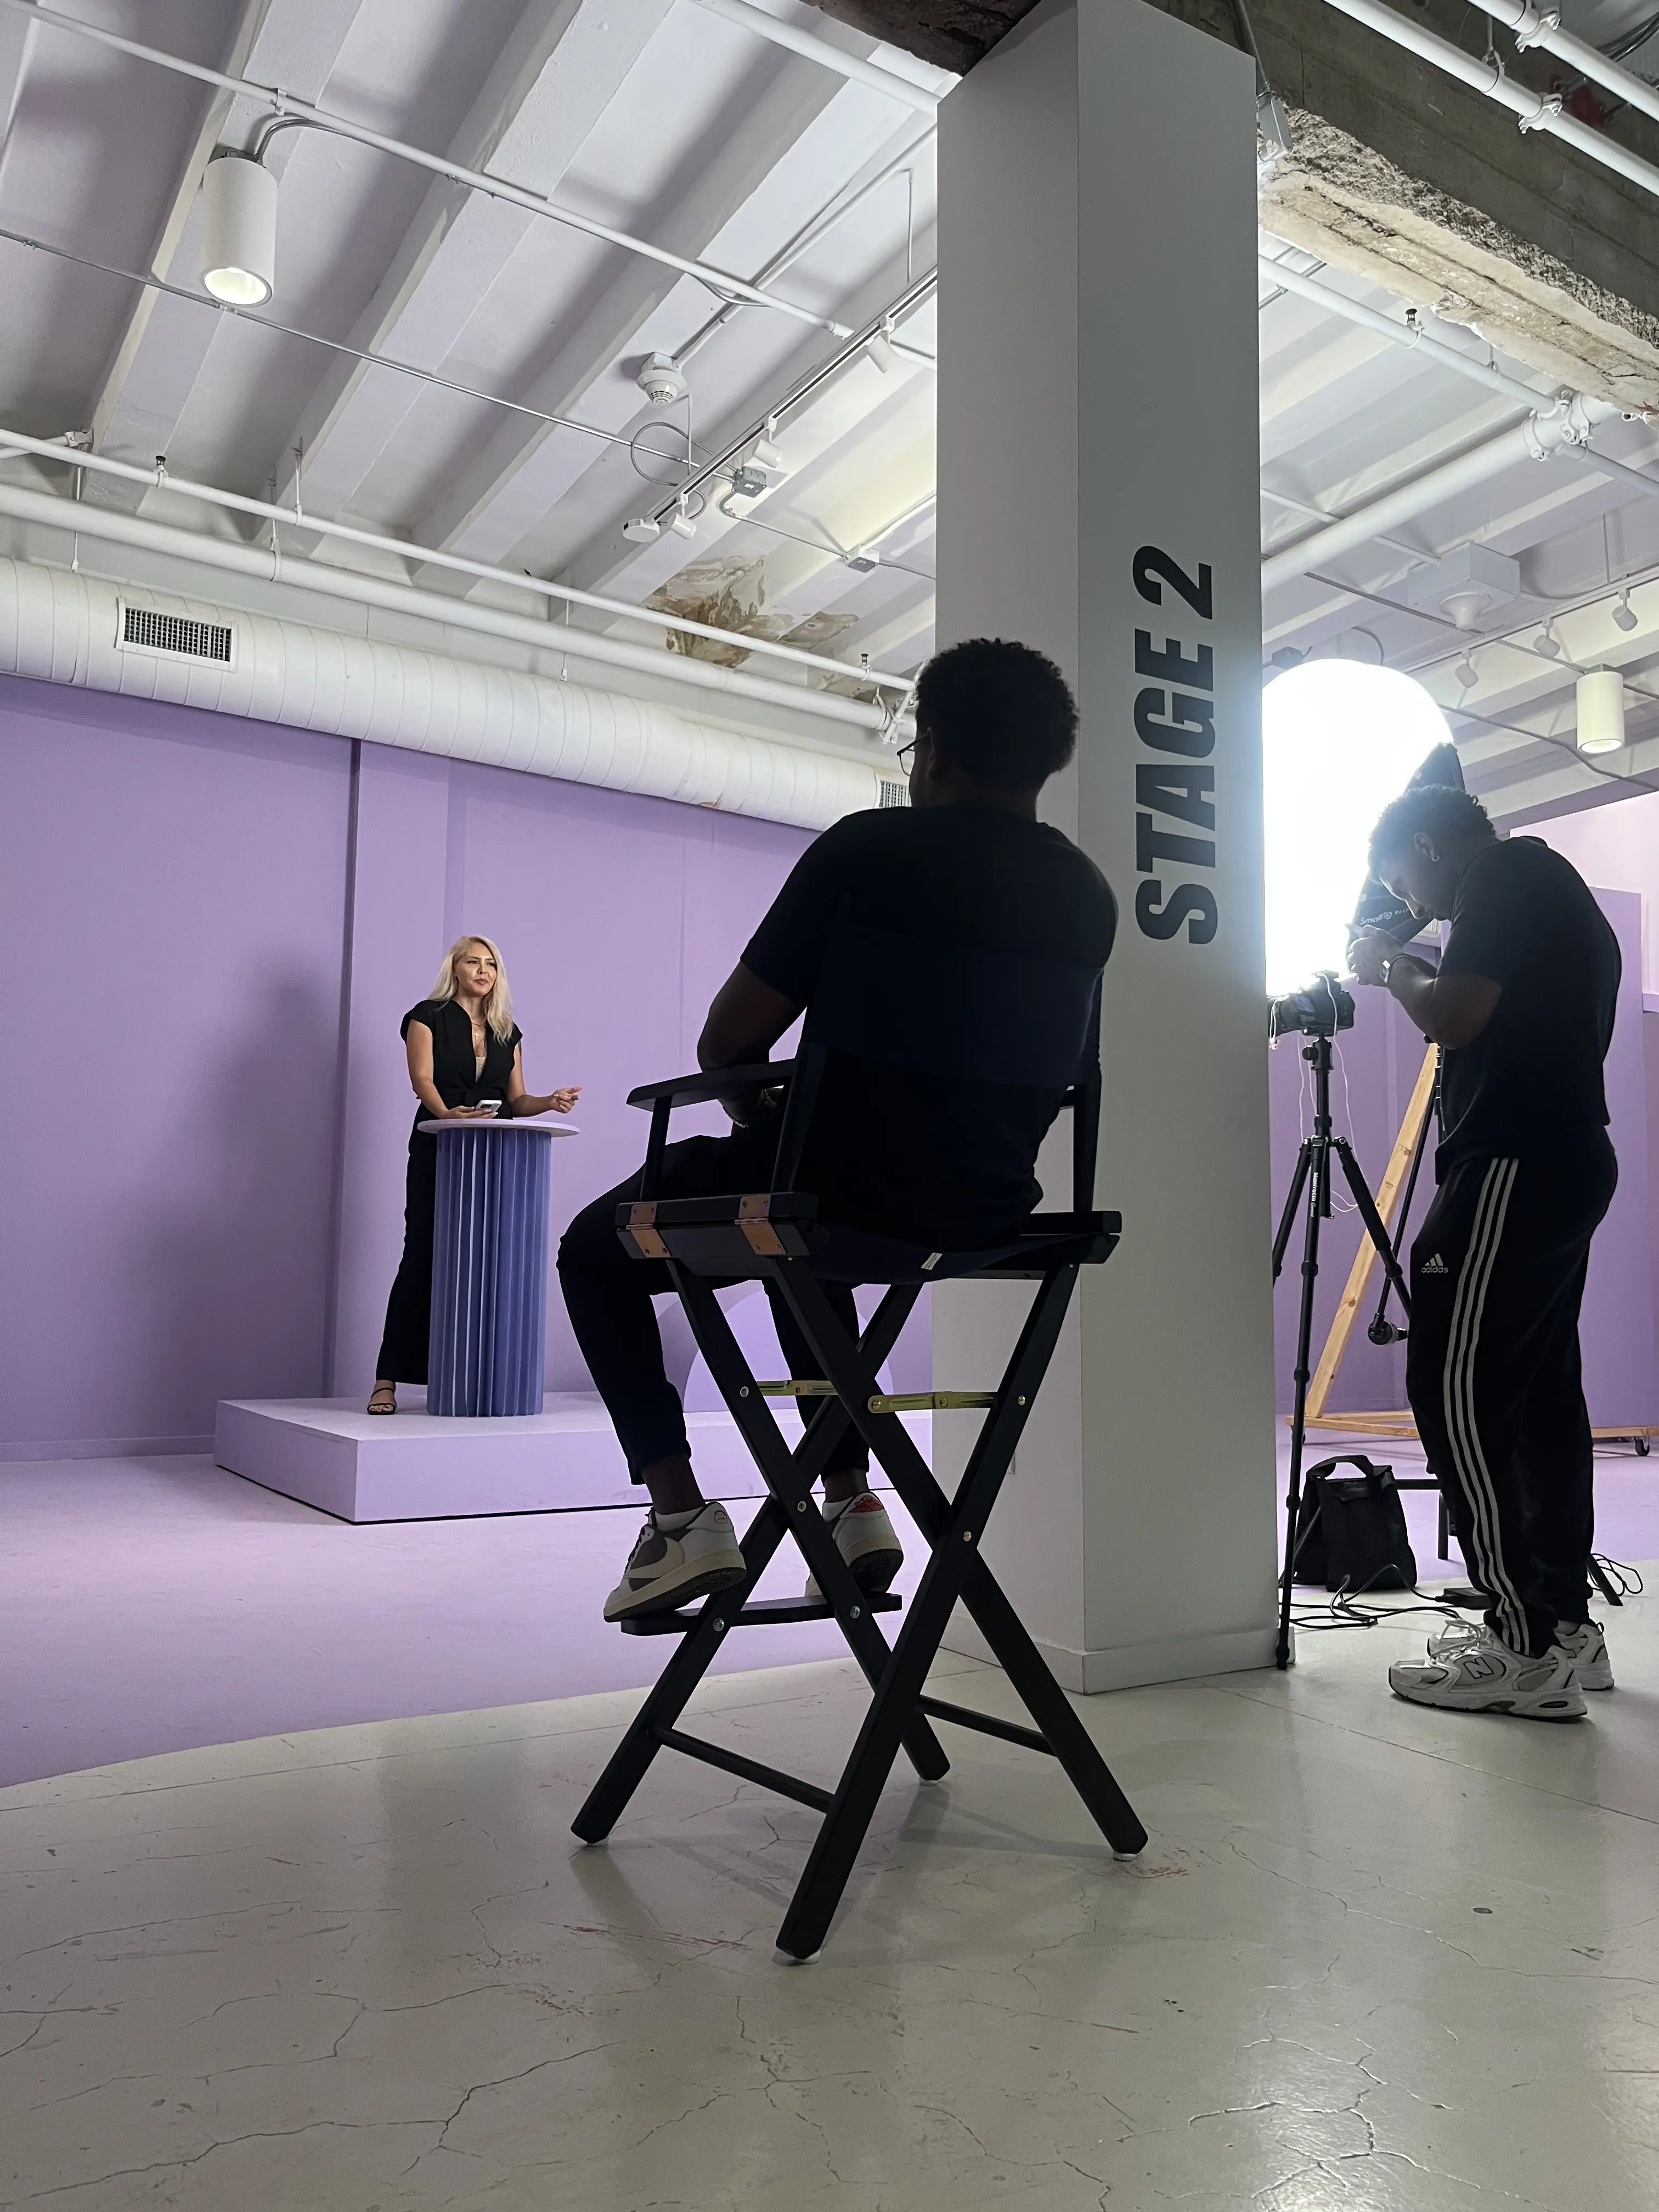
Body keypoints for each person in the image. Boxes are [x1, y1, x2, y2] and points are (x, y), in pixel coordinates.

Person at [558, 637, 1118, 1622]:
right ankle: (851, 1497)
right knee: (801, 1228)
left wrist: (747, 1102)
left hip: (835, 1197)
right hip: (990, 1211)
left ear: (932, 747)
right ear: (1043, 761)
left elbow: (729, 1038)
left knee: (598, 1250)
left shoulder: (866, 848)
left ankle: (681, 1521)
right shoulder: (1086, 895)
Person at [1351, 786, 1620, 1720]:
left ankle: (1519, 1645)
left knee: (1452, 1386)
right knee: (1540, 1394)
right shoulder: (1550, 888)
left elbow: (1452, 1015)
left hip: (1509, 1161)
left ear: (1425, 844)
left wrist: (1388, 963)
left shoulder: (1501, 877)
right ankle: (1559, 1623)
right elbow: (1484, 1004)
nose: (1411, 901)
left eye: (1404, 879)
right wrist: (1415, 954)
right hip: (1559, 1154)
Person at [369, 936, 580, 1414]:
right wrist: (449, 1115)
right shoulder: (426, 1016)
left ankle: (482, 1378)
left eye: (491, 964)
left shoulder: (508, 1030)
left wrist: (549, 1102)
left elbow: (517, 1099)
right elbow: (422, 1078)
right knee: (422, 1253)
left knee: (491, 1259)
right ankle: (387, 1380)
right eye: (474, 962)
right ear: (456, 968)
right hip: (440, 1145)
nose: (483, 970)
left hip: (496, 1153)